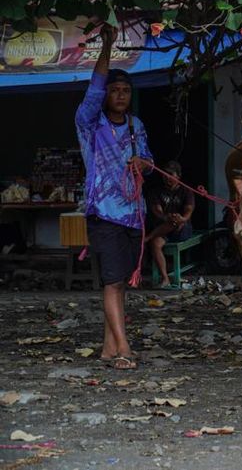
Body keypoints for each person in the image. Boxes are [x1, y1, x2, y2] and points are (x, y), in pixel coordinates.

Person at [75, 23, 153, 371]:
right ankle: (124, 348)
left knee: (121, 283)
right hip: (103, 214)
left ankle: (108, 347)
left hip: (133, 214)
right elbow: (93, 87)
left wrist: (144, 164)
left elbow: (150, 164)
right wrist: (107, 45)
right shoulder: (89, 124)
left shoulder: (136, 126)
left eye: (125, 90)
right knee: (112, 281)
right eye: (114, 90)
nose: (120, 95)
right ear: (105, 95)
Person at [146, 160, 194, 289]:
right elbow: (157, 212)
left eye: (170, 174)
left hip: (182, 229)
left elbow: (188, 210)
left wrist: (182, 219)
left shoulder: (186, 191)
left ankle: (148, 237)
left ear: (178, 176)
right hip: (164, 228)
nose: (167, 177)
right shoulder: (155, 192)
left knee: (176, 222)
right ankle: (165, 278)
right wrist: (167, 217)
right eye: (164, 174)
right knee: (155, 244)